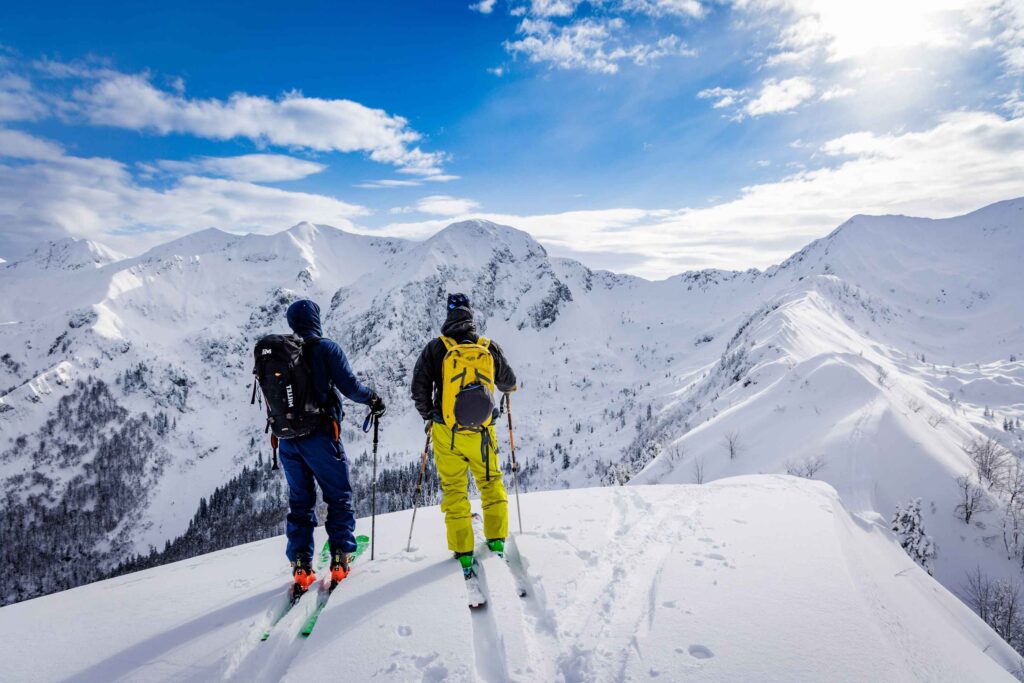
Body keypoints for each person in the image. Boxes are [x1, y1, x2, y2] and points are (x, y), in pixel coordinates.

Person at [280, 299, 385, 593]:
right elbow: (350, 387)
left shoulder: (280, 353)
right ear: (316, 319)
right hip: (321, 437)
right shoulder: (326, 348)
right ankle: (340, 558)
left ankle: (301, 566)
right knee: (338, 497)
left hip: (287, 442)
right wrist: (374, 399)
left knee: (300, 503)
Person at [411, 293, 517, 574]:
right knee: (491, 482)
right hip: (482, 432)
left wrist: (430, 416)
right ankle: (496, 541)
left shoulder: (436, 348)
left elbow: (418, 390)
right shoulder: (487, 346)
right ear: (471, 315)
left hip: (447, 432)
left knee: (455, 490)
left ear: (447, 315)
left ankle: (464, 552)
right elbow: (509, 382)